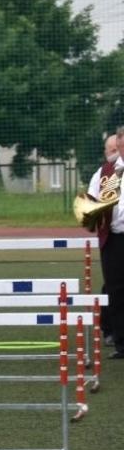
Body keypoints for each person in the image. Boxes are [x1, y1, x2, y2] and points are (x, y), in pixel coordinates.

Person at [85, 126, 123, 354]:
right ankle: (121, 342)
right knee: (116, 291)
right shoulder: (106, 173)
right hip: (115, 240)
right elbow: (92, 205)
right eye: (121, 146)